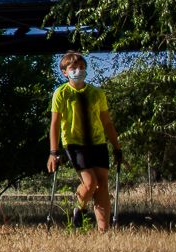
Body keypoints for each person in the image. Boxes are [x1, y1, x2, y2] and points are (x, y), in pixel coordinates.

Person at [48, 51, 123, 231]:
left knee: (103, 184)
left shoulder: (97, 93)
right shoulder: (61, 93)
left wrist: (117, 147)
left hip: (98, 143)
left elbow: (106, 122)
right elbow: (55, 124)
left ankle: (103, 231)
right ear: (65, 72)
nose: (78, 71)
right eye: (73, 68)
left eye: (81, 67)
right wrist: (53, 152)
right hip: (75, 144)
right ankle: (79, 209)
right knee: (90, 183)